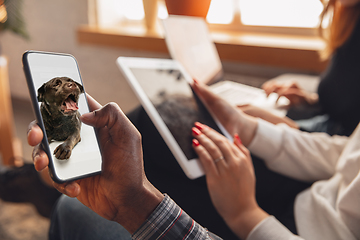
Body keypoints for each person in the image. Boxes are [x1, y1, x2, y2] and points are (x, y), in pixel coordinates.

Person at [28, 78, 360, 240]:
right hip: (310, 197)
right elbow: (348, 153)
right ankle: (56, 175)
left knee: (72, 212)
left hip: (279, 228)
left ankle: (43, 183)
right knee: (158, 116)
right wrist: (246, 126)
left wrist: (246, 215)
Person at [244, 0, 360, 137]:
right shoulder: (351, 15)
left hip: (337, 145)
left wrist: (285, 127)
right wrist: (309, 100)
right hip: (329, 127)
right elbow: (350, 103)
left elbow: (346, 150)